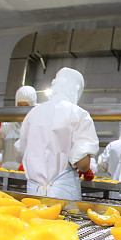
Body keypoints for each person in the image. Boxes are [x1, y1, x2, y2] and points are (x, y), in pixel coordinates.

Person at [15, 67, 98, 200]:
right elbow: (82, 162)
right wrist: (85, 170)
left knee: (34, 221)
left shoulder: (33, 113)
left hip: (33, 193)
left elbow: (22, 150)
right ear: (76, 90)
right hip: (63, 194)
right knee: (59, 221)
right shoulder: (78, 114)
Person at [0, 85, 37, 169]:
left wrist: (29, 166)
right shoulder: (8, 125)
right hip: (7, 174)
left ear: (32, 105)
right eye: (20, 105)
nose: (22, 109)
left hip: (30, 175)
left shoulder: (38, 125)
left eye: (26, 105)